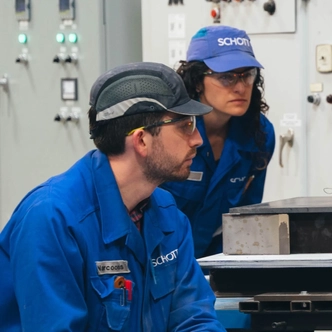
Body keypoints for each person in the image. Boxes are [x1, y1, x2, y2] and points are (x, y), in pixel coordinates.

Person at [0, 62, 226, 331]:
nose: (198, 139)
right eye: (185, 125)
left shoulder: (167, 215)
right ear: (141, 140)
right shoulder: (52, 220)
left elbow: (193, 317)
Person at [161, 25, 275, 259]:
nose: (241, 87)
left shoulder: (259, 134)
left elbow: (245, 219)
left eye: (247, 75)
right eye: (226, 77)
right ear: (197, 81)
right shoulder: (168, 132)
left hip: (215, 263)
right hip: (160, 261)